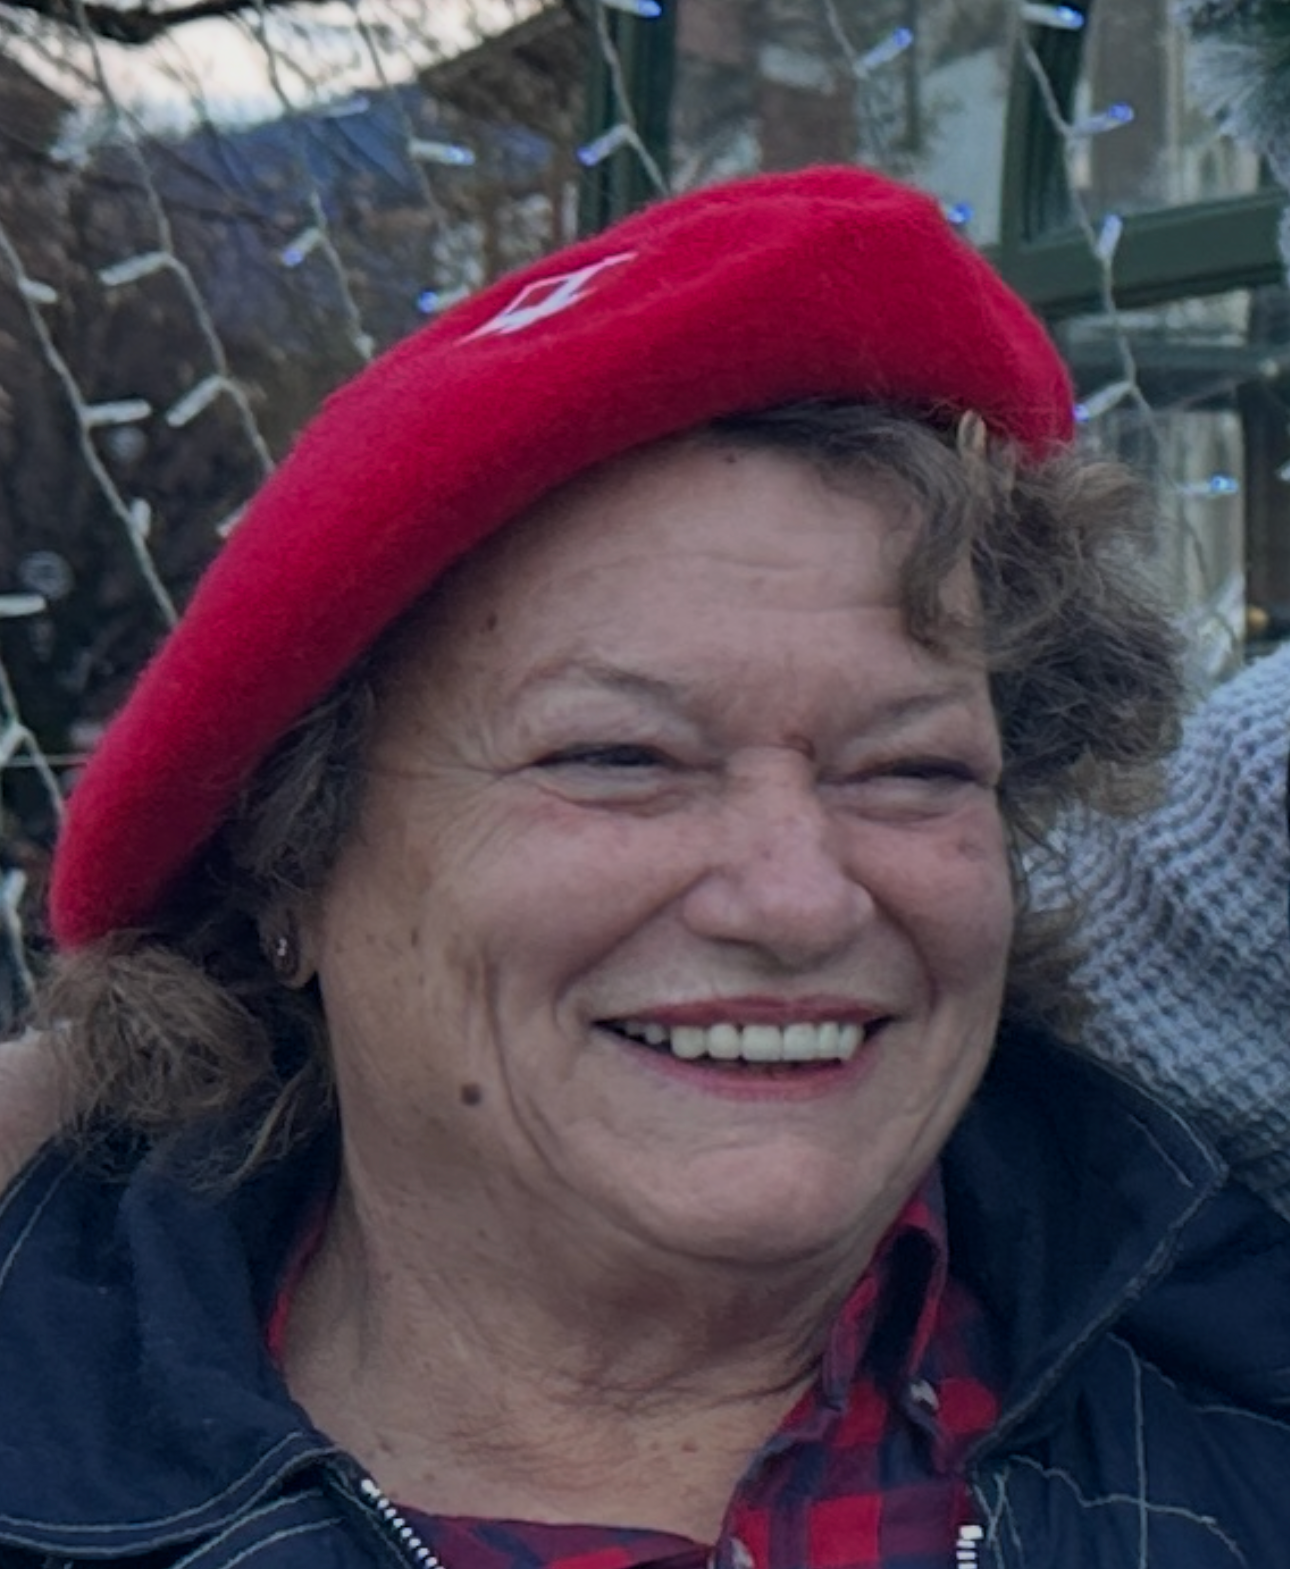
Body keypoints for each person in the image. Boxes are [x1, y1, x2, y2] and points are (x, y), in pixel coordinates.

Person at [2, 166, 1290, 1569]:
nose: (796, 899)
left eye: (910, 771)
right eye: (617, 759)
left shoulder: (1230, 1408)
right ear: (283, 864)